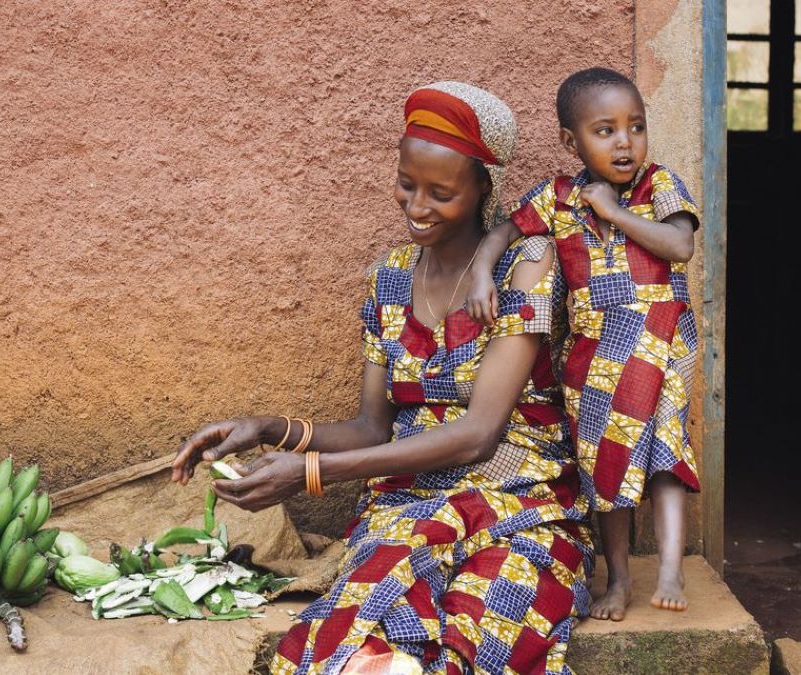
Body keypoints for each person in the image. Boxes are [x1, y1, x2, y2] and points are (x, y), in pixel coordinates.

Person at [172, 81, 593, 675]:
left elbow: (479, 435)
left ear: (483, 191)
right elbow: (374, 428)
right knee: (368, 634)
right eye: (407, 184)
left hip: (519, 503)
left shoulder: (525, 266)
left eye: (441, 193)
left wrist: (312, 473)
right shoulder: (391, 278)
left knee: (487, 626)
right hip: (406, 505)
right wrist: (269, 429)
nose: (418, 206)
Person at [462, 67, 700, 621]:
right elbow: (503, 230)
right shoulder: (556, 196)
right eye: (606, 130)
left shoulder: (658, 185)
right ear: (571, 141)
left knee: (665, 456)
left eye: (635, 127)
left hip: (661, 343)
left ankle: (669, 567)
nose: (625, 142)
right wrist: (480, 273)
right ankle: (617, 578)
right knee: (603, 467)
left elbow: (680, 245)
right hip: (594, 357)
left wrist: (615, 211)